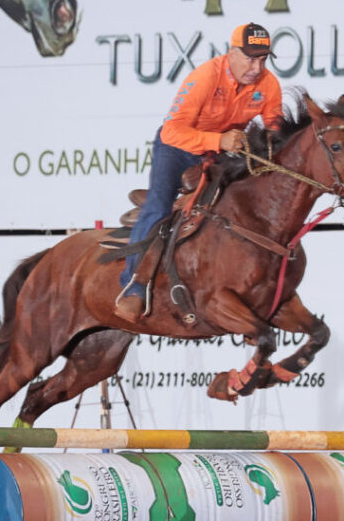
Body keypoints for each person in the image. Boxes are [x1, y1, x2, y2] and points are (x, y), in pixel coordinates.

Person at [115, 22, 284, 323]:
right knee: (158, 206)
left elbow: (275, 130)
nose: (256, 67)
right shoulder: (206, 76)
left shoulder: (269, 85)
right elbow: (171, 131)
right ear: (232, 53)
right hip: (178, 148)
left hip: (221, 154)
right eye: (250, 58)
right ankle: (134, 285)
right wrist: (219, 140)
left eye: (262, 59)